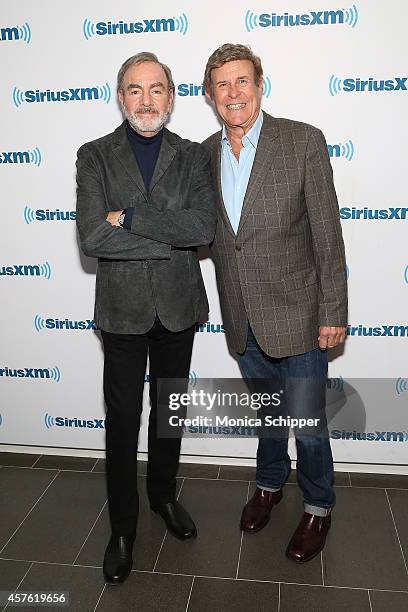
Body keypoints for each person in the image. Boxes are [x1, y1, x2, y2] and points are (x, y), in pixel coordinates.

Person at [203, 43, 347, 563]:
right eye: (222, 84)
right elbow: (206, 233)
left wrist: (333, 312)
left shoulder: (303, 141)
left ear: (260, 86)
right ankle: (268, 483)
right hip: (242, 315)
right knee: (268, 414)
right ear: (210, 95)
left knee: (307, 422)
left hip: (300, 313)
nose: (233, 93)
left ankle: (318, 505)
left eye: (242, 81)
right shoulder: (204, 154)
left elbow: (328, 236)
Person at [76, 52, 216, 584]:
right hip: (123, 311)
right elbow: (92, 236)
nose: (147, 99)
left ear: (172, 96)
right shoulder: (93, 156)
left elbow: (201, 229)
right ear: (120, 96)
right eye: (135, 89)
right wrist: (166, 235)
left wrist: (130, 219)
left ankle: (163, 498)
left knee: (169, 413)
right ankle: (122, 527)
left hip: (179, 306)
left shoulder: (193, 156)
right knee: (122, 420)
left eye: (157, 89)